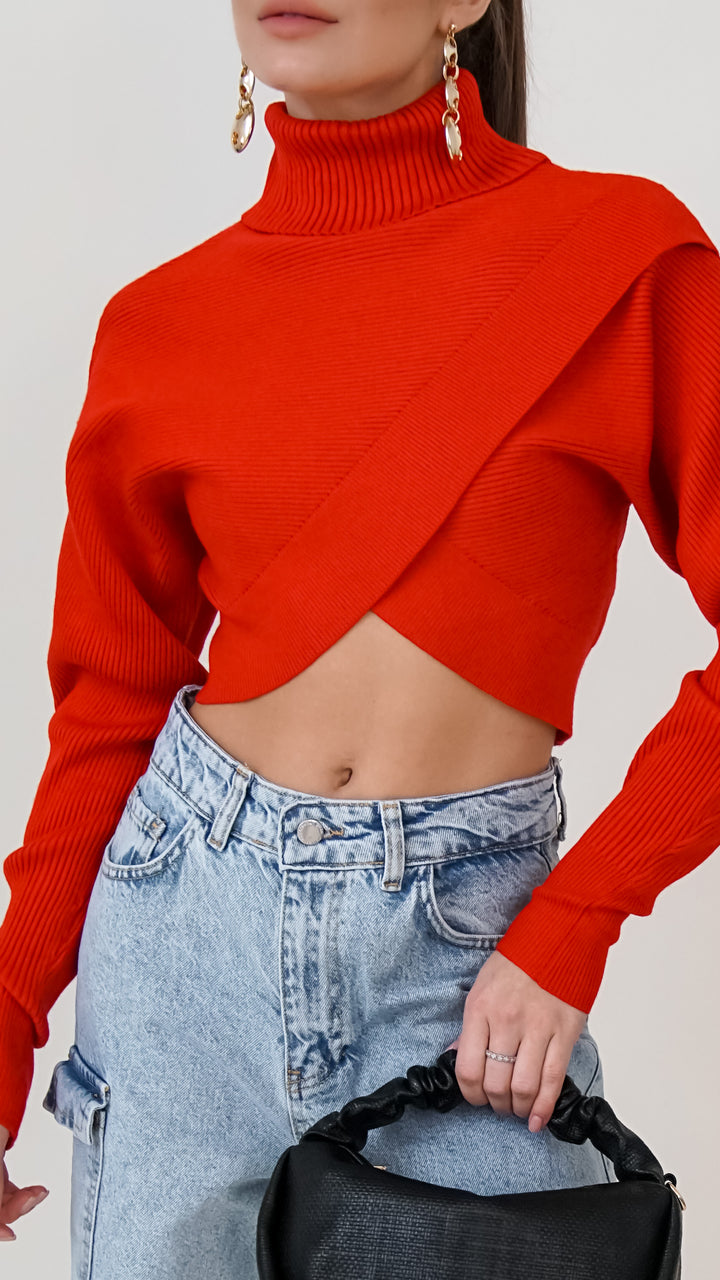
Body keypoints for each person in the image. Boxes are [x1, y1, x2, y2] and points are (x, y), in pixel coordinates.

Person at [1, 0, 719, 1273]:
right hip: (179, 944)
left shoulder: (619, 260)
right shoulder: (160, 322)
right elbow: (109, 702)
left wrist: (574, 922)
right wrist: (8, 1018)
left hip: (474, 963)